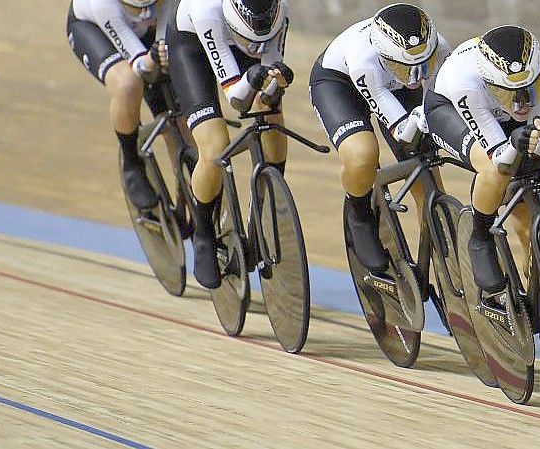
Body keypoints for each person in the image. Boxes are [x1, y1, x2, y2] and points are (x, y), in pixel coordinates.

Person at [424, 25, 540, 300]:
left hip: (501, 114)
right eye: (510, 93)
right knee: (495, 171)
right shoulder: (467, 82)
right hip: (451, 110)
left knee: (529, 222)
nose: (522, 103)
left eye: (528, 90)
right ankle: (480, 236)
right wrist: (515, 144)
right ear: (490, 83)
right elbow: (500, 156)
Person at [309, 3, 450, 272]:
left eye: (423, 63)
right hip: (340, 84)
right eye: (405, 65)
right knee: (362, 156)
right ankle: (359, 212)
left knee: (428, 177)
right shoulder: (365, 61)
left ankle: (443, 266)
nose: (415, 74)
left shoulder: (439, 50)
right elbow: (402, 132)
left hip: (394, 86)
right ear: (385, 56)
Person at [166, 0, 292, 288]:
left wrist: (276, 84)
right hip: (194, 47)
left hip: (248, 38)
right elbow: (236, 99)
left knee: (272, 121)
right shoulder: (206, 10)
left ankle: (263, 209)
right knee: (214, 147)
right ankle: (203, 231)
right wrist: (252, 80)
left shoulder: (280, 9)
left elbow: (269, 74)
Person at [67, 0, 168, 210]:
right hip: (96, 29)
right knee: (128, 85)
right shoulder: (102, 5)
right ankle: (132, 163)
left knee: (181, 113)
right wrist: (154, 57)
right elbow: (140, 64)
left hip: (144, 23)